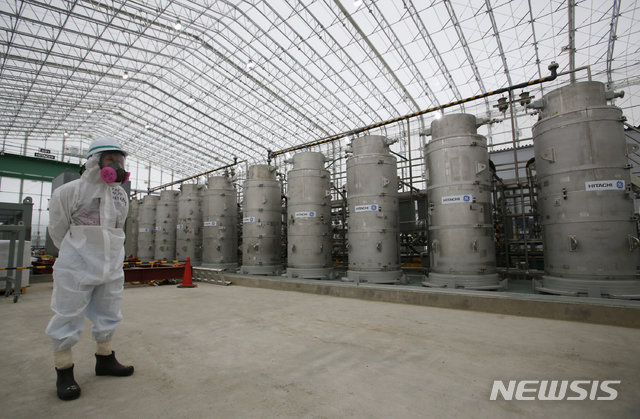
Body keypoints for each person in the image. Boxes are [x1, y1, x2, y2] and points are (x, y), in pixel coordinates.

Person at [46, 137, 134, 401]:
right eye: (111, 160)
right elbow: (57, 230)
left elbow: (118, 227)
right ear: (95, 162)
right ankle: (64, 370)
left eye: (120, 160)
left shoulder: (120, 194)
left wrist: (111, 257)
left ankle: (105, 359)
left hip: (111, 264)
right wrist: (76, 253)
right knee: (67, 314)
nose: (117, 165)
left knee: (109, 311)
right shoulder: (69, 192)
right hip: (77, 265)